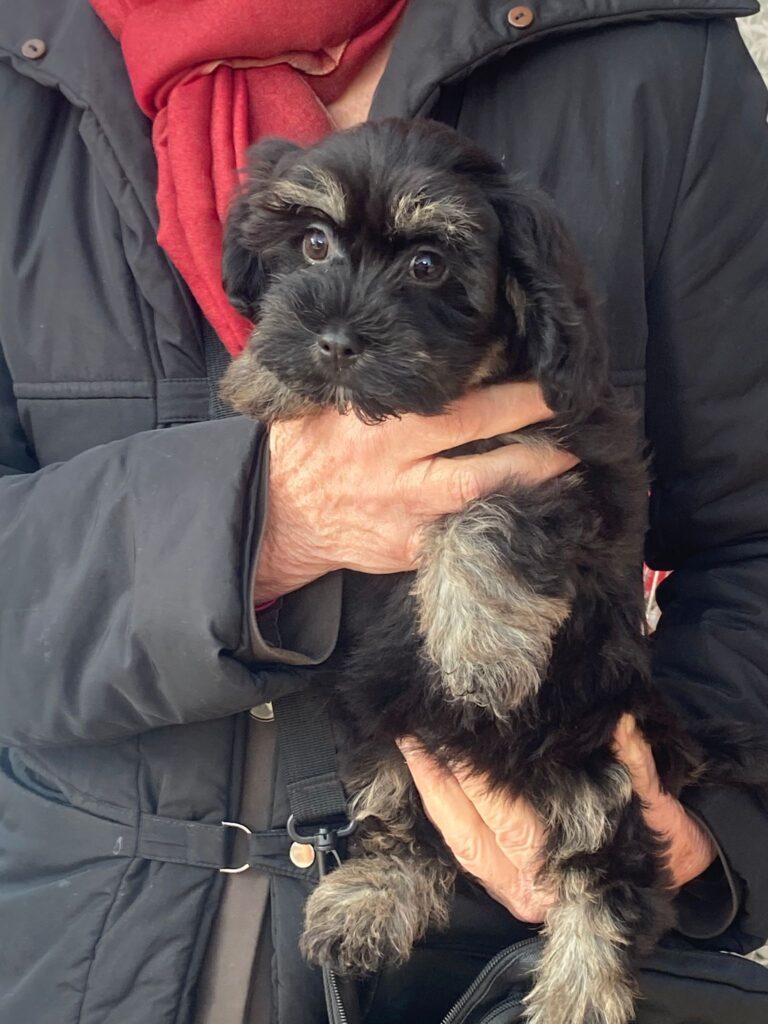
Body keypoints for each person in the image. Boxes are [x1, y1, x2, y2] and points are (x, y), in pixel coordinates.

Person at [0, 1, 766, 1023]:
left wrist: (707, 821)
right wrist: (260, 520)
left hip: (494, 957)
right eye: (311, 246)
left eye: (423, 264)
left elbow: (755, 530)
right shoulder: (21, 70)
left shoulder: (653, 59)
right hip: (65, 942)